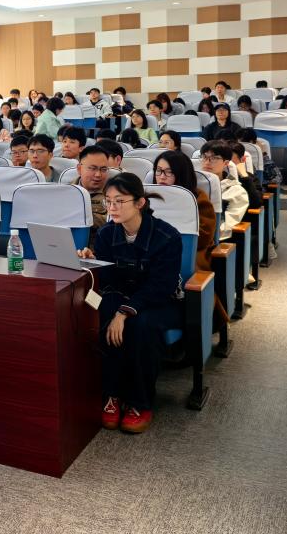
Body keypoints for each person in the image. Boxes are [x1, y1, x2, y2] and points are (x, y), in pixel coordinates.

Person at [77, 174, 183, 434]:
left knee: (140, 325)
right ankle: (111, 394)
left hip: (158, 302)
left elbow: (162, 287)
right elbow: (108, 281)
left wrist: (124, 312)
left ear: (140, 203)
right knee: (97, 313)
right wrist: (90, 262)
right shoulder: (105, 234)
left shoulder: (167, 236)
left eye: (119, 201)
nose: (112, 207)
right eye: (108, 201)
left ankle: (139, 402)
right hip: (120, 297)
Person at [154, 151, 216, 270]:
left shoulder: (197, 198)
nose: (162, 176)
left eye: (169, 172)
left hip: (188, 252)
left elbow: (204, 237)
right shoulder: (147, 198)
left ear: (182, 174)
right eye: (158, 170)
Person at [199, 141, 249, 240]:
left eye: (214, 158)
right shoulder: (192, 185)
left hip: (211, 240)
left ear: (226, 163)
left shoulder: (236, 191)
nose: (207, 162)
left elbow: (226, 227)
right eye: (204, 157)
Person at [71, 145, 109, 245]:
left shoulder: (114, 194)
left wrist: (79, 215)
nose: (98, 174)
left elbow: (114, 222)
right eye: (92, 168)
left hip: (99, 249)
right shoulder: (65, 192)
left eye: (103, 169)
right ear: (79, 169)